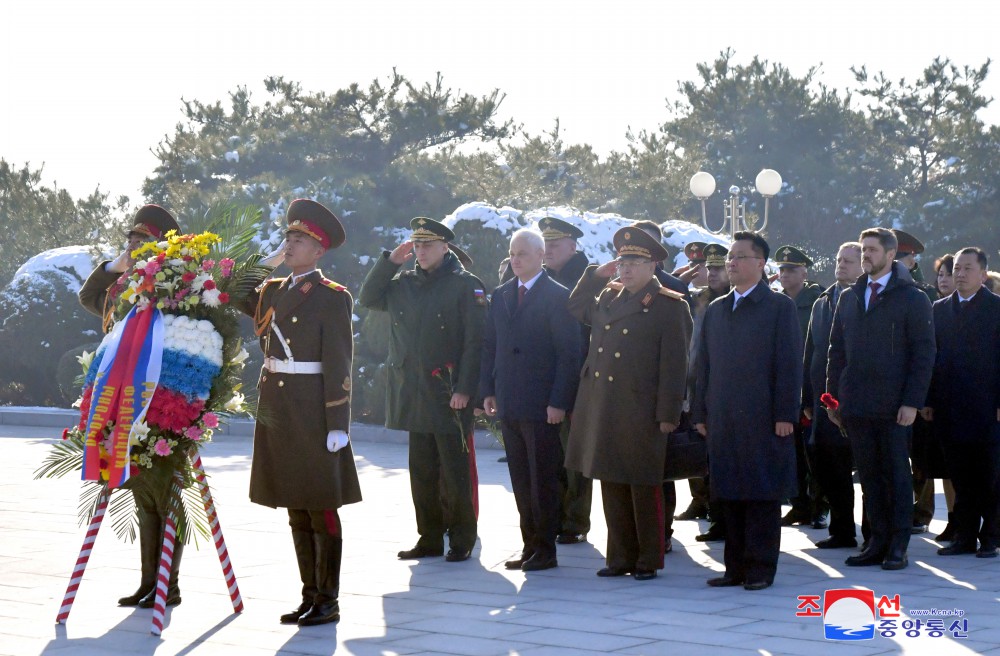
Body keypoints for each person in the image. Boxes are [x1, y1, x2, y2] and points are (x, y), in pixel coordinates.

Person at [239, 199, 360, 626]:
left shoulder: (331, 297)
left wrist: (337, 423)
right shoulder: (272, 290)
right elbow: (233, 286)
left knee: (321, 504)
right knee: (295, 504)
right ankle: (309, 596)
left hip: (311, 409)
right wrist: (269, 261)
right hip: (279, 408)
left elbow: (340, 362)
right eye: (287, 237)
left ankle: (328, 599)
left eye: (298, 240)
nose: (289, 244)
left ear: (318, 251)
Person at [565, 226, 691, 581]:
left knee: (642, 483)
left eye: (635, 261)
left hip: (641, 408)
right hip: (604, 405)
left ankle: (647, 558)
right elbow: (575, 306)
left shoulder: (668, 305)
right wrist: (594, 275)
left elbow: (675, 365)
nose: (626, 268)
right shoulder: (608, 296)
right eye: (622, 261)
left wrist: (669, 413)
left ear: (653, 265)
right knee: (611, 480)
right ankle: (619, 556)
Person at [79, 204, 189, 608]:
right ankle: (149, 583)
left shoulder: (177, 288)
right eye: (131, 241)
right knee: (144, 494)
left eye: (143, 242)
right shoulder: (124, 289)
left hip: (163, 403)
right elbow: (88, 296)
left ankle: (168, 584)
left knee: (167, 494)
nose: (135, 247)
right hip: (125, 403)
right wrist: (113, 265)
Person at [358, 217, 486, 563]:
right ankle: (429, 537)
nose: (421, 251)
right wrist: (389, 262)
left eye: (428, 245)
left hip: (448, 394)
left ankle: (461, 538)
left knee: (454, 472)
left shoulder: (464, 285)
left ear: (446, 248)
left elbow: (475, 343)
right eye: (417, 245)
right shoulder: (404, 282)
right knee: (422, 471)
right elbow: (367, 297)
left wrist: (465, 389)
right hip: (412, 391)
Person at [693, 232, 802, 591]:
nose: (732, 263)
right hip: (723, 417)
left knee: (760, 493)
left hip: (763, 416)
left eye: (740, 256)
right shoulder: (717, 309)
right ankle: (734, 567)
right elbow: (703, 366)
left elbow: (788, 364)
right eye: (730, 257)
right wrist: (700, 412)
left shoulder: (778, 307)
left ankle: (759, 568)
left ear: (760, 264)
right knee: (729, 491)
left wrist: (786, 413)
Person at [827, 228, 935, 571]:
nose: (865, 255)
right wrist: (832, 401)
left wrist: (912, 402)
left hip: (894, 407)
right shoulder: (851, 297)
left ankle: (898, 543)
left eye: (872, 250)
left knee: (896, 476)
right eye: (863, 249)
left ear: (890, 255)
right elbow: (836, 351)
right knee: (870, 478)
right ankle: (876, 540)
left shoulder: (912, 298)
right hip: (856, 405)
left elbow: (924, 353)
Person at [481, 229, 581, 572]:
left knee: (543, 480)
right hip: (510, 399)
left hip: (542, 404)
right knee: (521, 480)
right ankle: (529, 545)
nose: (515, 259)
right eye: (512, 252)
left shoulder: (557, 295)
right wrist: (488, 390)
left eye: (522, 253)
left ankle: (546, 549)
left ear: (541, 256)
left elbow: (569, 354)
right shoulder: (502, 294)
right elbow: (490, 345)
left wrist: (559, 401)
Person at [926, 247, 1000, 558]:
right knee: (960, 476)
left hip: (988, 408)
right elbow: (930, 358)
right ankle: (964, 536)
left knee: (990, 476)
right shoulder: (939, 309)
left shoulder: (996, 308)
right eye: (957, 267)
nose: (960, 273)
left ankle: (992, 536)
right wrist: (927, 400)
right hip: (949, 407)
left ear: (983, 274)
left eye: (968, 268)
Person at [633, 220, 692, 552]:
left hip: (657, 398)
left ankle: (662, 530)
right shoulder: (617, 288)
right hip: (626, 400)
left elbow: (682, 351)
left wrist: (676, 400)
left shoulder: (674, 290)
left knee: (661, 469)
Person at [536, 216, 594, 545]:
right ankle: (555, 514)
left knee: (574, 453)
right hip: (545, 378)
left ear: (573, 247)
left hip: (580, 378)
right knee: (550, 454)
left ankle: (575, 519)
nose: (548, 251)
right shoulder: (540, 278)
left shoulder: (588, 279)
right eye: (544, 245)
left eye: (554, 245)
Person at [802, 242, 864, 549]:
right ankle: (842, 531)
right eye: (839, 260)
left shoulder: (865, 301)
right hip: (824, 403)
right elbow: (811, 352)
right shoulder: (822, 302)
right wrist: (807, 399)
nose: (841, 265)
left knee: (866, 470)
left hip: (857, 401)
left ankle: (877, 533)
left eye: (849, 261)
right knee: (828, 468)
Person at [774, 245, 829, 530]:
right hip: (784, 389)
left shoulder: (817, 299)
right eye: (781, 269)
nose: (785, 274)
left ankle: (819, 506)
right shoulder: (774, 301)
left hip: (809, 386)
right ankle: (799, 505)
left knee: (814, 453)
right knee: (791, 452)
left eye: (791, 269)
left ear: (804, 272)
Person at [892, 229, 939, 535]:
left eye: (901, 258)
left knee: (920, 458)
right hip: (889, 390)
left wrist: (923, 399)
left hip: (916, 391)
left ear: (911, 260)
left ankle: (921, 512)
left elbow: (928, 352)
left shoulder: (925, 295)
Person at [925, 254, 957, 542]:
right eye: (942, 274)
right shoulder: (935, 308)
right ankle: (948, 517)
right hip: (937, 401)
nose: (945, 279)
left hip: (971, 402)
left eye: (951, 272)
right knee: (938, 463)